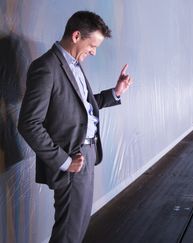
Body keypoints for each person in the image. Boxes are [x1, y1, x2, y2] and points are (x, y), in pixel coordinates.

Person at [18, 11, 132, 243]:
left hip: (88, 154)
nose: (94, 51)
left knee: (77, 226)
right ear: (77, 35)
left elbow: (83, 108)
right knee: (69, 232)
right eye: (92, 45)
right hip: (71, 158)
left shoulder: (74, 65)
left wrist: (116, 92)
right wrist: (65, 161)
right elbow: (29, 123)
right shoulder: (46, 67)